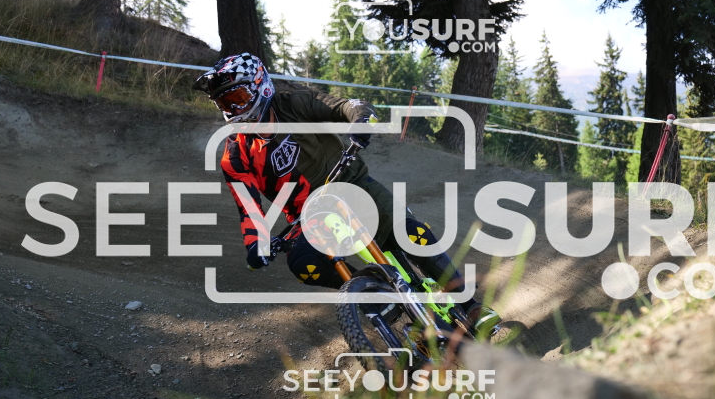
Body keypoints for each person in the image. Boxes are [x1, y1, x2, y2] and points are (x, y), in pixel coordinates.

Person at [193, 53, 499, 334]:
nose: (233, 110)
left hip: (350, 183)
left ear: (261, 86)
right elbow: (249, 209)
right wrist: (255, 245)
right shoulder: (235, 157)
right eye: (224, 103)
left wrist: (359, 121)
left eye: (237, 98)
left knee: (410, 232)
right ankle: (374, 294)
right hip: (309, 216)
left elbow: (347, 106)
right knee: (304, 264)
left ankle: (470, 306)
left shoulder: (294, 104)